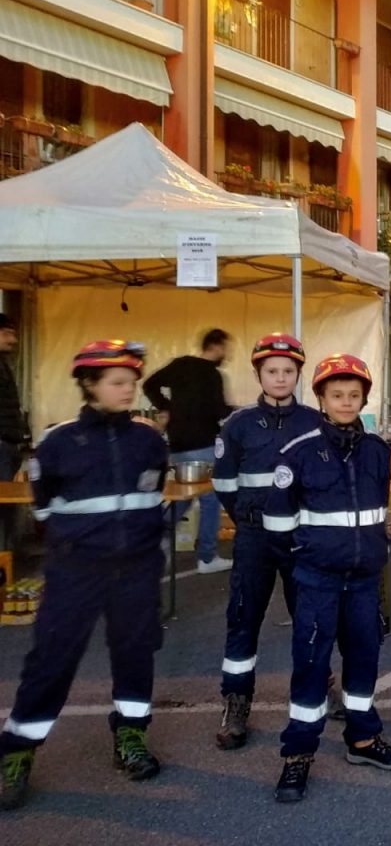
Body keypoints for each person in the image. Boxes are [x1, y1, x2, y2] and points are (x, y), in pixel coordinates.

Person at [1, 341, 168, 811]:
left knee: (135, 654)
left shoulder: (149, 440)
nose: (128, 390)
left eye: (132, 382)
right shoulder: (57, 443)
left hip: (136, 568)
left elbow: (153, 495)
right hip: (76, 571)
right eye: (117, 383)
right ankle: (17, 751)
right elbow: (44, 506)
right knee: (52, 659)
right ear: (90, 385)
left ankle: (131, 736)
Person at [263, 354, 391, 803]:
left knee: (364, 660)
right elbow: (276, 523)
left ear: (363, 398)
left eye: (354, 395)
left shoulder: (378, 452)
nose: (346, 402)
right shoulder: (300, 452)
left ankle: (363, 741)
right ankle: (297, 756)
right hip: (317, 581)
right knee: (311, 667)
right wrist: (304, 564)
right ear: (322, 400)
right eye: (336, 395)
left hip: (366, 581)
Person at [211, 334, 323, 751]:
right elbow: (223, 481)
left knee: (310, 617)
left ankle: (317, 685)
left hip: (299, 537)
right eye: (272, 371)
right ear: (258, 374)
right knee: (244, 619)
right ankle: (236, 701)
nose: (280, 378)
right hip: (255, 538)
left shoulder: (314, 422)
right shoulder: (237, 424)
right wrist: (247, 514)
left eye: (288, 371)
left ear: (298, 375)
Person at [143, 328, 233, 573]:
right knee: (211, 498)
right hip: (203, 443)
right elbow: (218, 411)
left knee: (184, 494)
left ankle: (156, 534)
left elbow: (149, 384)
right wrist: (239, 412)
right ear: (216, 346)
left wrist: (167, 407)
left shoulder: (180, 364)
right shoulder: (212, 374)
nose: (227, 353)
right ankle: (207, 557)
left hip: (178, 443)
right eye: (225, 347)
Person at [0, 313, 30, 552]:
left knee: (7, 505)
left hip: (8, 443)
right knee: (3, 504)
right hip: (2, 444)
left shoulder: (3, 364)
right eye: (8, 334)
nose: (14, 340)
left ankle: (5, 557)